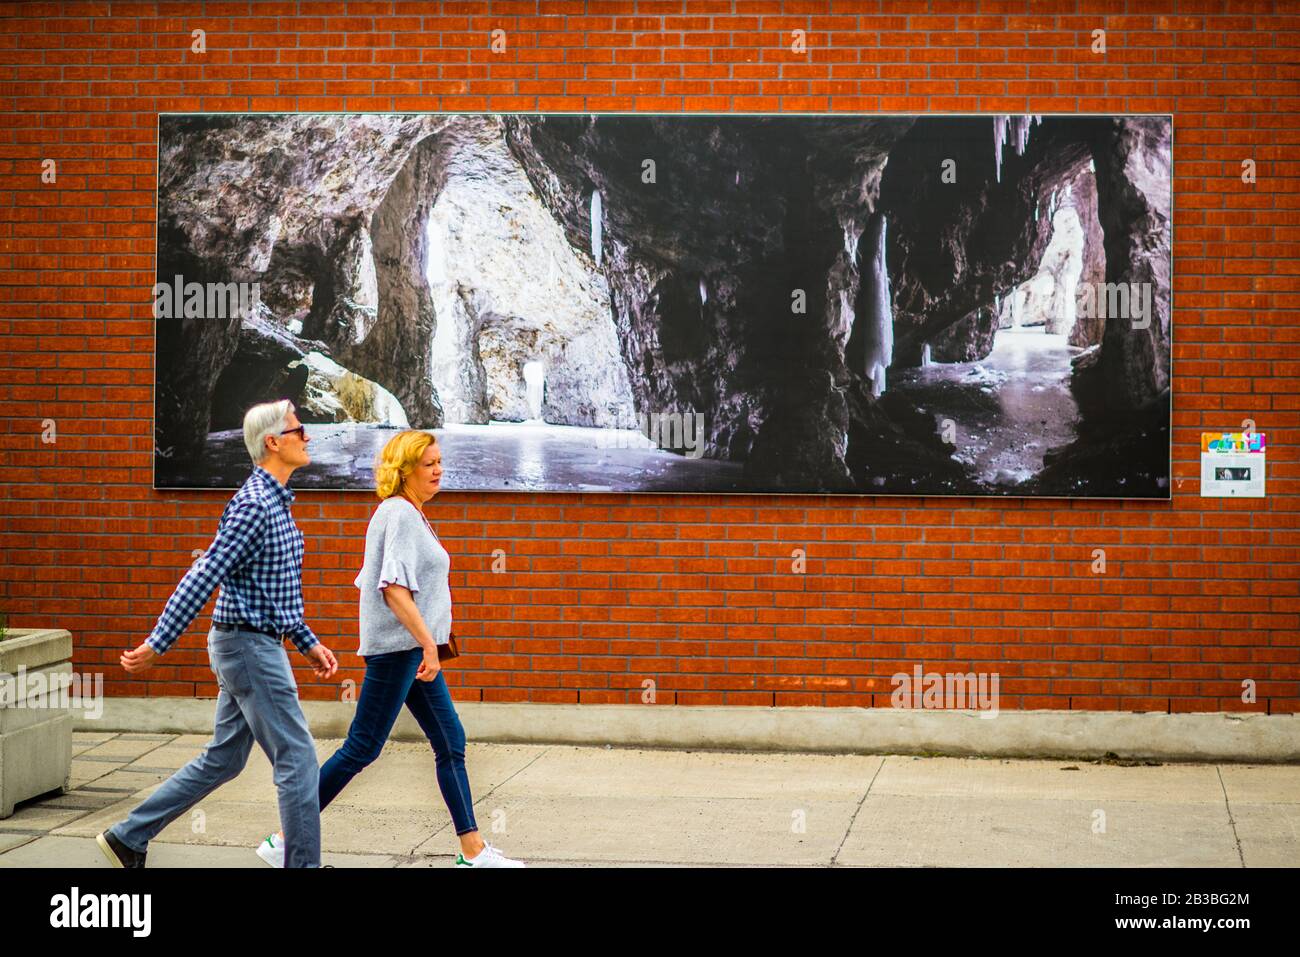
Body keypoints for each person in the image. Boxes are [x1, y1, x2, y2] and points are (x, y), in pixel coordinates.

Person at [254, 428, 524, 868]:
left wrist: (427, 646)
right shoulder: (398, 513)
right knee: (362, 747)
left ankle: (472, 851)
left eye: (439, 462)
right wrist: (428, 646)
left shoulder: (409, 514)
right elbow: (393, 589)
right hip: (400, 652)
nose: (439, 470)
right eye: (428, 464)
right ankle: (286, 837)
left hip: (411, 652)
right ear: (404, 470)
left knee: (450, 740)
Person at [96, 400, 338, 869]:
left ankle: (128, 837)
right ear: (273, 442)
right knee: (298, 758)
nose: (307, 437)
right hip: (247, 647)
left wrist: (307, 643)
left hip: (251, 641)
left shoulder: (275, 502)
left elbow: (275, 590)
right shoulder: (253, 505)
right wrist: (158, 642)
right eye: (299, 430)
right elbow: (204, 574)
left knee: (224, 760)